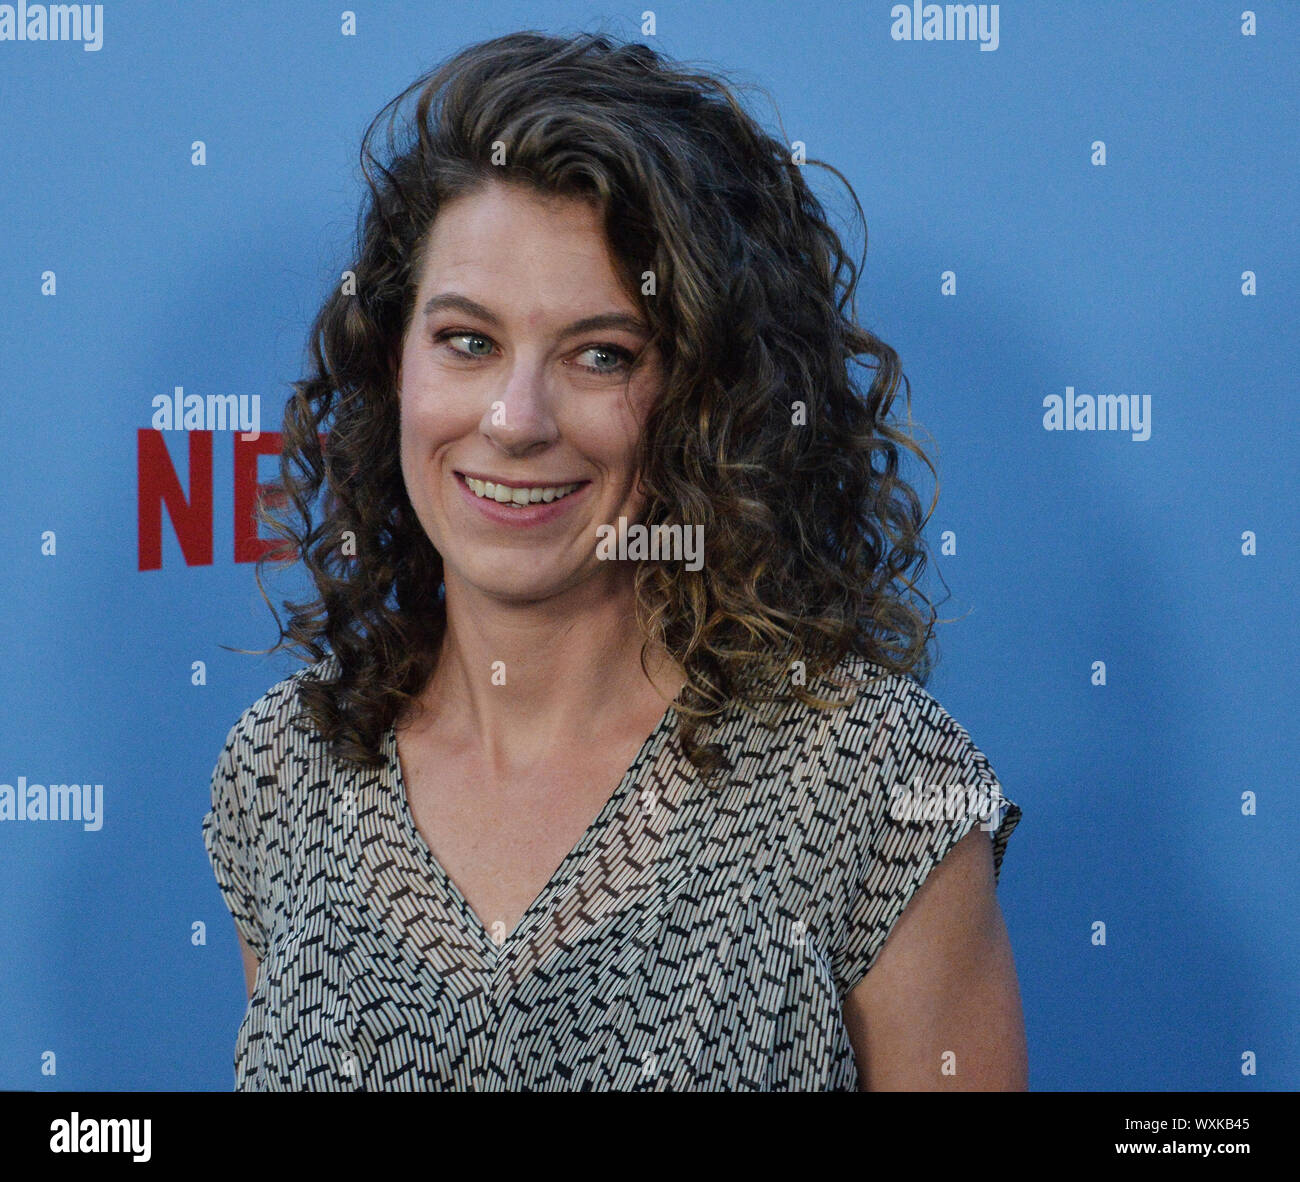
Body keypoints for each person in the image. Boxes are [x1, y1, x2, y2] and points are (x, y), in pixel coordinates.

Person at [203, 29, 1026, 1091]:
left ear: (703, 400)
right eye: (466, 340)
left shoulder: (872, 784)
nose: (514, 418)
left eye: (602, 355)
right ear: (391, 360)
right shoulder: (284, 771)